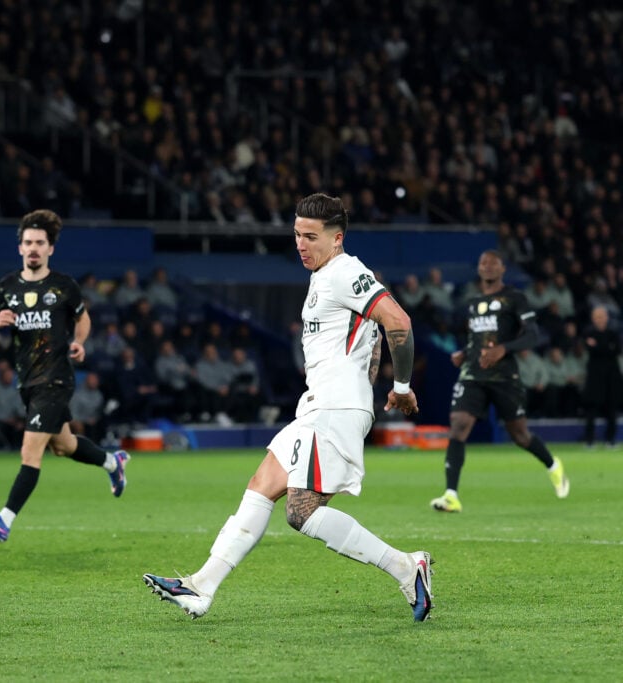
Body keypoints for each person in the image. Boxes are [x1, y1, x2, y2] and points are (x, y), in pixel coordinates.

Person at [142, 193, 433, 622]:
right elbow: (366, 340)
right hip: (318, 406)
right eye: (297, 234)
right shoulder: (324, 276)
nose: (301, 244)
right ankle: (201, 586)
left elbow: (398, 321)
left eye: (311, 236)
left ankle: (407, 567)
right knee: (262, 484)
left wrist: (402, 386)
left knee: (301, 512)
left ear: (337, 239)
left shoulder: (345, 272)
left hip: (335, 409)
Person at [0, 209, 130, 543]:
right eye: (28, 242)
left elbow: (83, 319)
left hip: (56, 379)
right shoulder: (7, 287)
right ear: (20, 248)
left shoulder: (63, 287)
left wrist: (79, 342)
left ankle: (4, 519)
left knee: (31, 453)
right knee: (64, 445)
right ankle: (113, 463)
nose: (33, 248)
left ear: (50, 249)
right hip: (27, 381)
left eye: (39, 243)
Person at [430, 250, 569, 513]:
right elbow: (477, 341)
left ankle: (554, 466)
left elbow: (532, 335)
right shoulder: (473, 304)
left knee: (520, 435)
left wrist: (503, 349)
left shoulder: (515, 298)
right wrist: (464, 354)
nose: (488, 267)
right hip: (473, 374)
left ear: (503, 268)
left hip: (505, 376)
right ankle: (451, 495)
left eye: (493, 263)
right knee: (459, 426)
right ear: (479, 269)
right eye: (483, 263)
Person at [581, 306, 622, 447]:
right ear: (593, 318)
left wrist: (599, 346)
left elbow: (616, 350)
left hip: (611, 376)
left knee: (612, 409)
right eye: (597, 317)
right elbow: (594, 349)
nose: (600, 319)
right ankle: (590, 440)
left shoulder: (613, 333)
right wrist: (605, 348)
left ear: (607, 318)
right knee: (591, 408)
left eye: (602, 316)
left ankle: (610, 440)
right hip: (595, 376)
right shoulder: (588, 333)